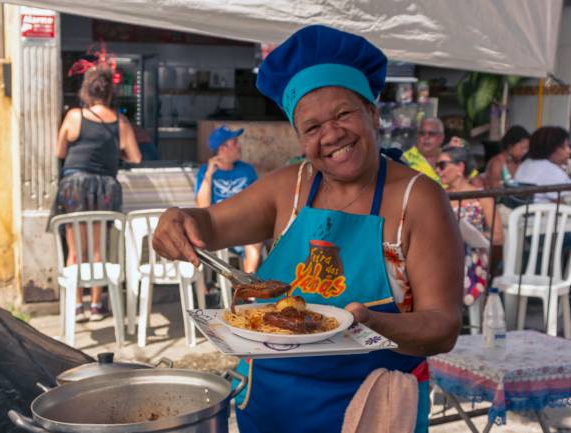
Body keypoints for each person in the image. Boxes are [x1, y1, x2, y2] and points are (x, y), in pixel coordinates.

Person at [153, 25, 462, 433]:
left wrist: (372, 324)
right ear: (300, 139)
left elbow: (443, 325)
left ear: (372, 112)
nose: (331, 134)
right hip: (271, 406)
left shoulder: (418, 200)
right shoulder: (289, 187)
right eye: (312, 128)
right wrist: (176, 218)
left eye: (343, 114)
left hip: (372, 408)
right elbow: (208, 223)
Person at [55, 65, 142, 322]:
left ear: (87, 90)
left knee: (75, 250)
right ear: (110, 93)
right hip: (105, 187)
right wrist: (116, 151)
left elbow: (60, 151)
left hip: (75, 186)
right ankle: (95, 306)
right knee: (97, 249)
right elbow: (135, 157)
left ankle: (77, 306)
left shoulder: (74, 116)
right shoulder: (121, 122)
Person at [436, 145, 503, 307]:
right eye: (437, 166)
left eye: (442, 165)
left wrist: (475, 237)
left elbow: (499, 237)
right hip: (442, 253)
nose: (438, 171)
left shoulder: (482, 197)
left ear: (460, 167)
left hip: (472, 256)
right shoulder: (437, 195)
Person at [195, 125, 262, 273]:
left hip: (245, 224)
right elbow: (202, 206)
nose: (239, 146)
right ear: (222, 148)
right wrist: (208, 175)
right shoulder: (205, 172)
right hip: (218, 227)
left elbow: (258, 200)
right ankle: (249, 288)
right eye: (235, 143)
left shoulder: (246, 170)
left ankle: (248, 290)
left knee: (256, 239)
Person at [514, 126, 571, 203]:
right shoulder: (550, 170)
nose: (569, 151)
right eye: (563, 147)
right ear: (550, 149)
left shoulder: (526, 164)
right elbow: (565, 201)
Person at [402, 117, 445, 182]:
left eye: (431, 134)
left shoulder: (448, 158)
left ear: (441, 138)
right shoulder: (404, 160)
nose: (426, 137)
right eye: (422, 133)